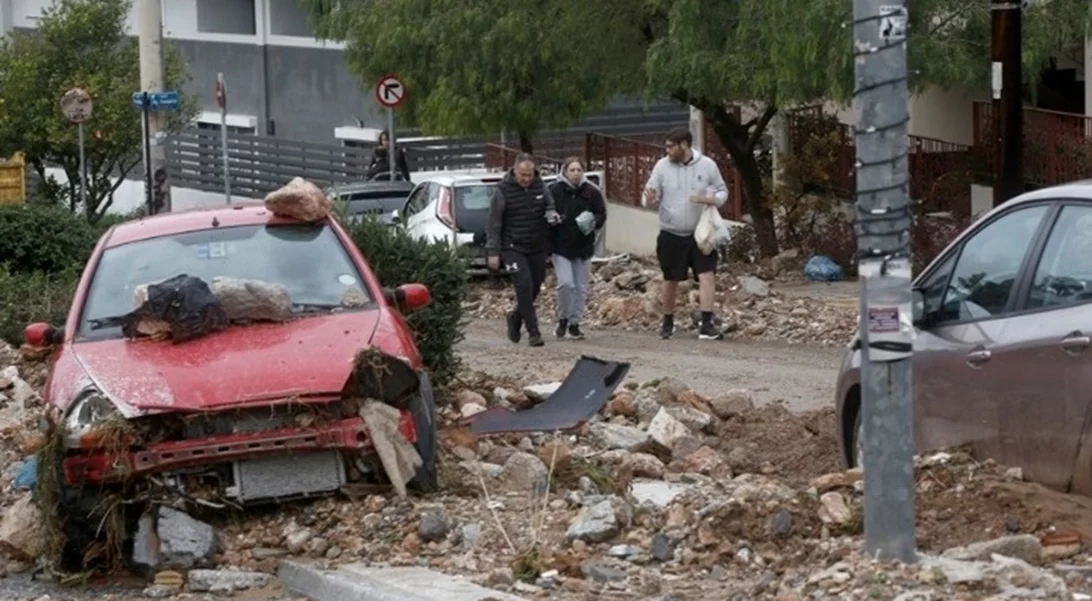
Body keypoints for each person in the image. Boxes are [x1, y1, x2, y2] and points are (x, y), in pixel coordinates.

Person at [643, 126, 729, 341]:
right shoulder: (661, 167)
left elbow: (722, 190)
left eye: (671, 146)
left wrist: (714, 200)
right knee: (670, 279)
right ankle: (668, 320)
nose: (668, 151)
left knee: (707, 275)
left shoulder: (708, 165)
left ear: (684, 145)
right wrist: (650, 201)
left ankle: (707, 323)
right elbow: (649, 195)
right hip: (671, 233)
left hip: (700, 232)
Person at [486, 153, 559, 347]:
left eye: (529, 175)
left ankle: (516, 317)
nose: (526, 179)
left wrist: (552, 215)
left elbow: (549, 204)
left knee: (535, 286)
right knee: (523, 286)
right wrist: (493, 252)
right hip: (512, 247)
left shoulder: (540, 185)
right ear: (515, 170)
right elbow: (494, 223)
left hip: (536, 246)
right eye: (522, 175)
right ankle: (533, 332)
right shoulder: (502, 190)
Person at [548, 157, 607, 340]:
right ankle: (563, 318)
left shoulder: (591, 191)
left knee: (581, 288)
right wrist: (553, 218)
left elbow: (601, 213)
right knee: (566, 284)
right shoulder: (555, 191)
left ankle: (574, 323)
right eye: (572, 170)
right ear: (564, 171)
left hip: (583, 246)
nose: (575, 174)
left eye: (578, 170)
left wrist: (592, 221)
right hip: (561, 246)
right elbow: (546, 210)